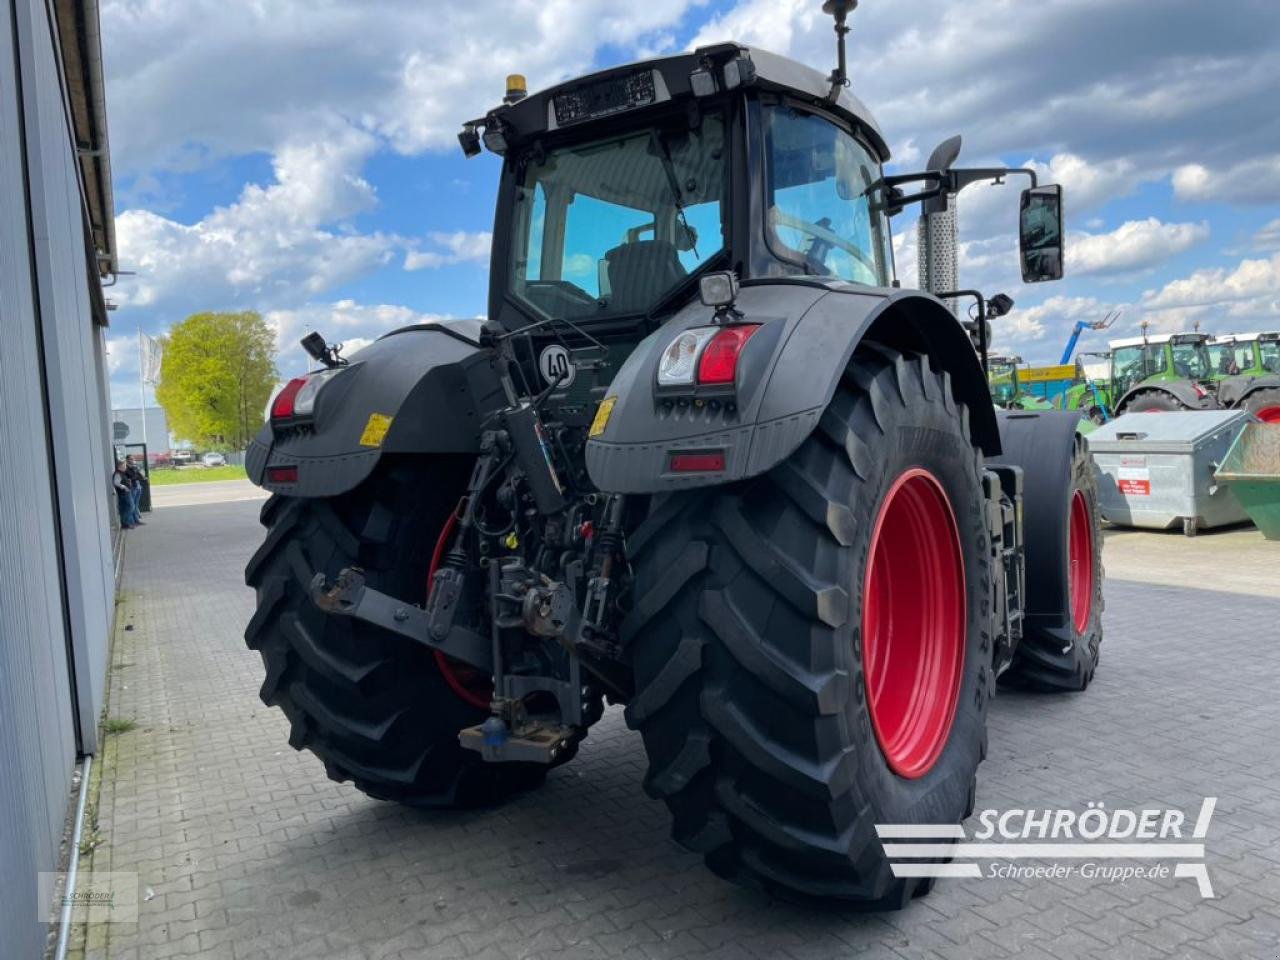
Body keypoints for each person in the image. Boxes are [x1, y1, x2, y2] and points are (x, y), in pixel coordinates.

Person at [113, 461, 136, 529]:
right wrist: (124, 487)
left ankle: (125, 523)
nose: (125, 467)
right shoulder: (118, 474)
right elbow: (116, 483)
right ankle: (125, 522)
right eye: (124, 466)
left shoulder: (121, 473)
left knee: (126, 508)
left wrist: (128, 483)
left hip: (125, 493)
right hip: (124, 494)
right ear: (120, 466)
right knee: (131, 507)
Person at [125, 456, 147, 526]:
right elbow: (132, 477)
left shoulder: (134, 467)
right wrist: (136, 473)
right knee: (132, 505)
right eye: (131, 459)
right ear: (127, 460)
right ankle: (132, 521)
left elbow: (139, 475)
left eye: (133, 459)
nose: (133, 460)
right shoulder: (126, 468)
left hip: (138, 487)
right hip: (132, 488)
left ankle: (136, 520)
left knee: (136, 504)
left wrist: (141, 475)